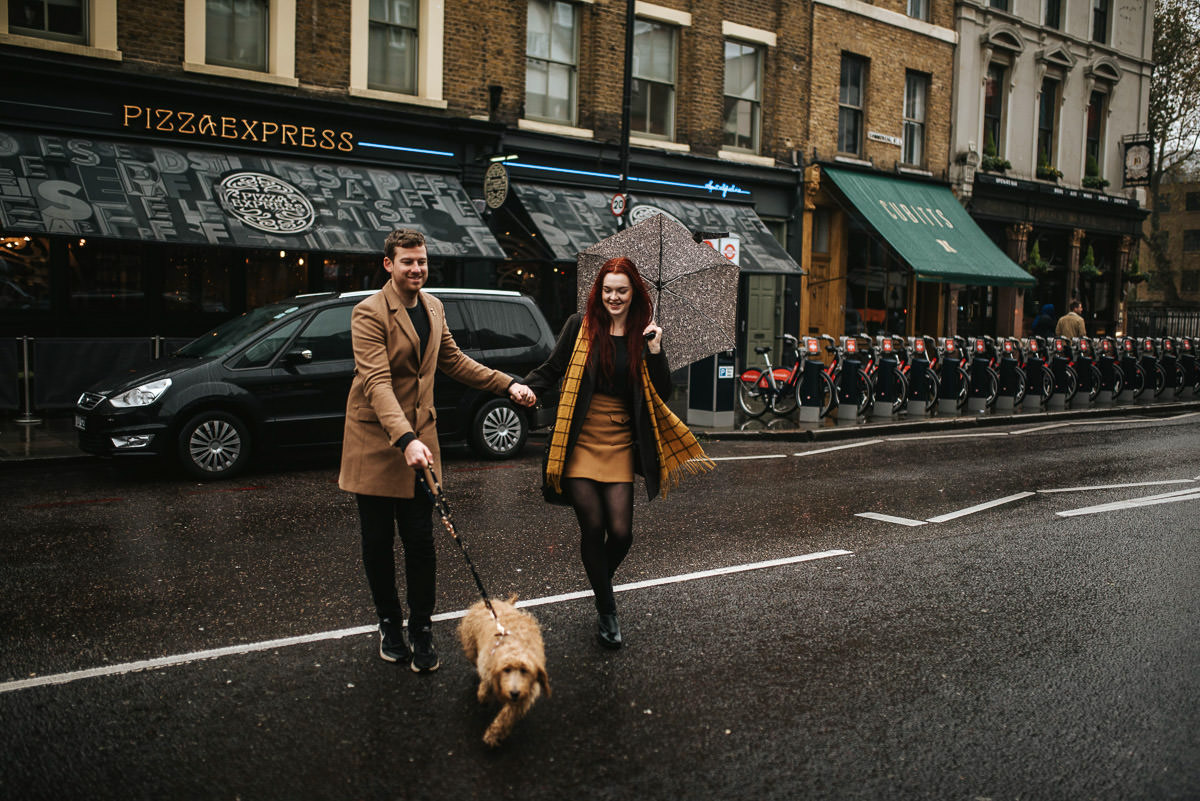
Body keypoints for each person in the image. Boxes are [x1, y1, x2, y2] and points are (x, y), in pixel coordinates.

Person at [338, 228, 536, 672]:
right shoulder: (368, 312)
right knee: (378, 542)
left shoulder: (433, 306)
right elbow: (376, 382)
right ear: (388, 264)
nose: (416, 269)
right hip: (377, 441)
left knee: (420, 540)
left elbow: (454, 361)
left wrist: (507, 384)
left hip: (419, 441)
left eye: (422, 261)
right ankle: (389, 624)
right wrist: (405, 438)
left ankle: (421, 627)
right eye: (407, 261)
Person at [522, 257, 714, 650]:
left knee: (622, 534)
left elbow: (661, 392)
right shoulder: (580, 326)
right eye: (607, 290)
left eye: (621, 291)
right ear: (599, 292)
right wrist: (522, 388)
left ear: (633, 294)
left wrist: (656, 350)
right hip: (579, 437)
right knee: (593, 528)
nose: (613, 297)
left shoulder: (645, 333)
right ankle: (607, 610)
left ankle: (599, 584)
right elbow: (552, 368)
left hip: (620, 441)